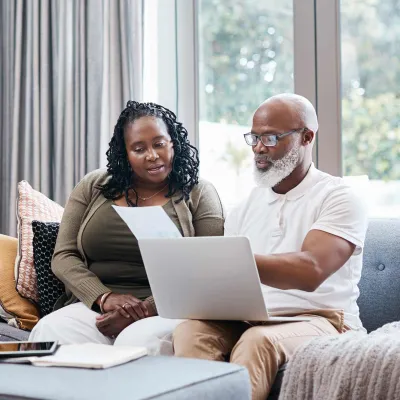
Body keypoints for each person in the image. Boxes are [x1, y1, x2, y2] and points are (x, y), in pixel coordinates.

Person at [173, 93, 368, 400]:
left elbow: (311, 270)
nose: (260, 148)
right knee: (190, 331)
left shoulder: (339, 197)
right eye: (254, 137)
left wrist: (235, 260)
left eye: (271, 137)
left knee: (258, 341)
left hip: (321, 319)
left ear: (307, 137)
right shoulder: (245, 206)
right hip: (252, 316)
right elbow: (229, 283)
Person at [29, 101, 224, 354]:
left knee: (138, 343)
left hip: (166, 309)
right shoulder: (94, 185)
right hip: (96, 306)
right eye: (139, 148)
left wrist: (143, 310)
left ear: (173, 143)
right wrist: (105, 298)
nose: (152, 155)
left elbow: (206, 267)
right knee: (50, 331)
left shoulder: (200, 193)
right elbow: (64, 256)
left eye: (159, 144)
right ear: (125, 154)